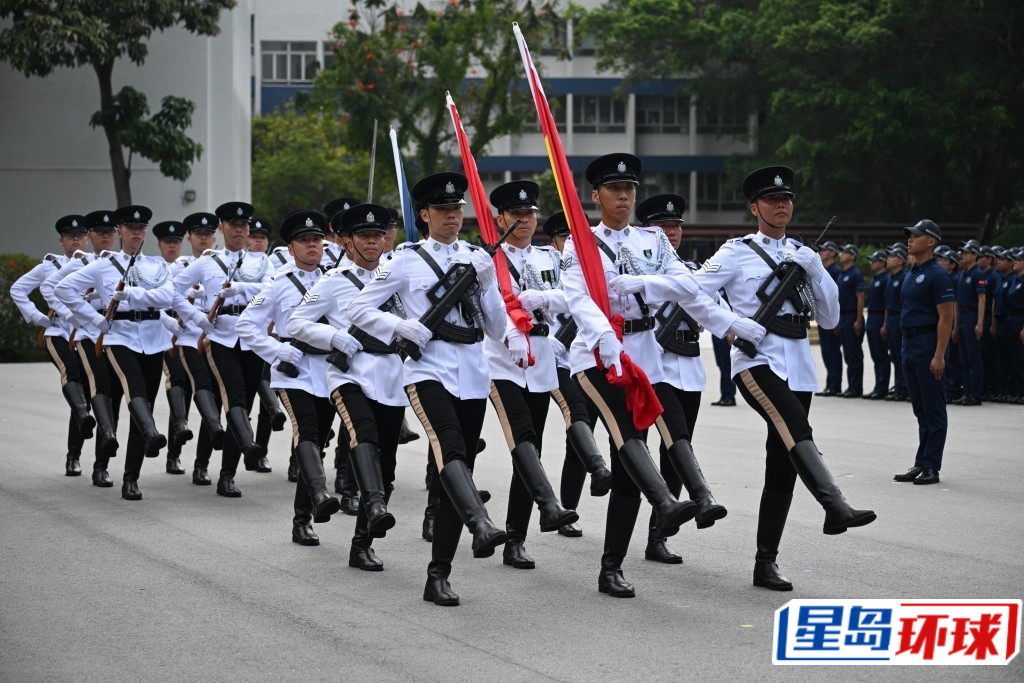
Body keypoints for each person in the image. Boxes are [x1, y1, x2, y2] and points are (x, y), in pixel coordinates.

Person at [692, 165, 876, 591]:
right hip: (757, 363)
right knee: (797, 427)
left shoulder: (802, 253)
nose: (781, 205)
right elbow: (694, 292)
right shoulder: (736, 252)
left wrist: (816, 270)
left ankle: (765, 563)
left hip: (799, 366)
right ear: (754, 207)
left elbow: (830, 319)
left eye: (787, 199)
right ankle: (835, 504)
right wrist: (732, 325)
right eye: (772, 200)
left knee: (784, 462)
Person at [561, 153, 723, 598]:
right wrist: (605, 339)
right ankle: (657, 513)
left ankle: (700, 496)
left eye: (629, 188)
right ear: (596, 196)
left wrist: (644, 286)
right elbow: (580, 300)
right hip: (597, 355)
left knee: (674, 424)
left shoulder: (654, 240)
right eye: (614, 189)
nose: (624, 196)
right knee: (628, 439)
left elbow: (687, 286)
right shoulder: (580, 243)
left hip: (647, 351)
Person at [348, 172, 509, 606]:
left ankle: (438, 575)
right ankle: (482, 523)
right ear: (424, 214)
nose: (453, 216)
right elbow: (358, 308)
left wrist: (489, 281)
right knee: (451, 450)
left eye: (457, 209)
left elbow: (496, 327)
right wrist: (403, 325)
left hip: (473, 374)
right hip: (427, 372)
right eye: (443, 210)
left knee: (455, 475)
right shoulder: (404, 260)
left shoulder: (478, 258)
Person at [288, 205, 408, 564]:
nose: (373, 242)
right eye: (364, 236)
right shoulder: (333, 281)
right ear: (344, 240)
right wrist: (334, 336)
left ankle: (362, 543)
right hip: (349, 374)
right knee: (364, 435)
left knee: (387, 465)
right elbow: (297, 323)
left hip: (391, 376)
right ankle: (370, 503)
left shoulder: (397, 276)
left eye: (378, 235)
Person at [482, 180, 579, 570]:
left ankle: (515, 540)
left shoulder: (550, 259)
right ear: (500, 218)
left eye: (530, 214)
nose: (524, 220)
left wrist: (549, 302)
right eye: (516, 215)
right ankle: (548, 504)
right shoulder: (487, 258)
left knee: (531, 449)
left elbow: (576, 296)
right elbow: (485, 307)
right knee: (520, 437)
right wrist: (509, 332)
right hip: (501, 362)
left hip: (540, 360)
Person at [54, 205, 175, 500]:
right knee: (133, 393)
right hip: (119, 338)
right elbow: (64, 290)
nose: (136, 233)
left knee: (141, 402)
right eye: (131, 229)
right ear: (120, 232)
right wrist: (95, 320)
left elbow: (167, 296)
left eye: (141, 229)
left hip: (154, 339)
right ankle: (145, 437)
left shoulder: (158, 266)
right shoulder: (103, 266)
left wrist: (133, 295)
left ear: (146, 232)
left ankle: (131, 478)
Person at [238, 209, 342, 546]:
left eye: (317, 240)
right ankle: (315, 503)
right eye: (304, 241)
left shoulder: (336, 278)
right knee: (307, 432)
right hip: (294, 373)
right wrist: (275, 351)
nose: (312, 246)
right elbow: (246, 326)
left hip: (329, 370)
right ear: (291, 246)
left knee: (316, 441)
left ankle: (303, 518)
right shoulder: (278, 283)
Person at [635, 192, 726, 564]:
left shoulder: (692, 272)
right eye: (663, 226)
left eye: (675, 226)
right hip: (654, 369)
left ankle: (659, 535)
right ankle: (698, 498)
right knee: (676, 441)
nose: (671, 232)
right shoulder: (639, 274)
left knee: (673, 452)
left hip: (689, 368)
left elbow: (715, 315)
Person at [173, 201, 275, 496]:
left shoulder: (262, 262)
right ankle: (246, 447)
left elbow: (272, 289)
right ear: (222, 228)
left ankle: (226, 473)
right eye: (234, 225)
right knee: (235, 397)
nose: (241, 230)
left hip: (252, 338)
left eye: (245, 225)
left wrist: (241, 289)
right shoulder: (207, 261)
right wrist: (196, 318)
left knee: (239, 404)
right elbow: (173, 291)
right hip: (221, 338)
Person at [540, 211, 613, 540]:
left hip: (585, 359)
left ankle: (566, 511)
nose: (570, 243)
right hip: (550, 359)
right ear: (554, 241)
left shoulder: (591, 267)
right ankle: (593, 474)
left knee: (578, 434)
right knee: (577, 415)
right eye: (564, 238)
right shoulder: (544, 266)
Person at [10, 214, 97, 476]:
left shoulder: (95, 263)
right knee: (70, 370)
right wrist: (38, 317)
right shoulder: (50, 266)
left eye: (81, 235)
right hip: (58, 331)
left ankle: (74, 454)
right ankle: (81, 412)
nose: (77, 240)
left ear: (88, 238)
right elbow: (18, 289)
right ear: (61, 241)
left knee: (85, 387)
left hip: (85, 332)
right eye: (71, 236)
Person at [40, 210, 122, 484]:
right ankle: (74, 454)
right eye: (100, 232)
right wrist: (75, 315)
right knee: (91, 395)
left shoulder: (122, 264)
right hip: (88, 336)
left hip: (116, 337)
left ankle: (101, 464)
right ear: (91, 237)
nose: (106, 237)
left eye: (110, 232)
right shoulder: (80, 262)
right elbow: (53, 288)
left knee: (114, 399)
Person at [892, 220, 955, 485]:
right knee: (920, 408)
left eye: (915, 236)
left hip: (928, 344)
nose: (910, 239)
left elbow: (946, 318)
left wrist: (939, 354)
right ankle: (921, 461)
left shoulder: (938, 275)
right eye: (909, 236)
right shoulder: (913, 271)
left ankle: (932, 466)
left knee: (933, 408)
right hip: (910, 345)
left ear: (931, 241)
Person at [173, 212, 228, 485]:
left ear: (214, 237)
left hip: (213, 337)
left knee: (216, 399)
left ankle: (201, 464)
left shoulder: (220, 264)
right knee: (197, 387)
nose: (203, 237)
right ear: (189, 238)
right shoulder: (179, 265)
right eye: (198, 234)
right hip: (187, 337)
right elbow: (166, 295)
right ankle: (176, 450)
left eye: (208, 234)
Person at [152, 220, 194, 475]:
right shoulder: (151, 269)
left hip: (186, 334)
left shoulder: (188, 267)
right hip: (161, 333)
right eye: (168, 242)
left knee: (186, 388)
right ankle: (176, 436)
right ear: (159, 244)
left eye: (177, 241)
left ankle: (174, 453)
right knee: (176, 379)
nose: (172, 246)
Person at [246, 217, 288, 463]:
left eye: (262, 238)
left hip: (269, 333)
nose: (258, 242)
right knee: (250, 394)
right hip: (247, 334)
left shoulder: (272, 265)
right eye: (255, 237)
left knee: (266, 391)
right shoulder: (252, 264)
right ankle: (248, 444)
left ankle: (261, 451)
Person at [953, 240, 986, 405]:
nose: (963, 255)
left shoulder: (978, 274)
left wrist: (979, 323)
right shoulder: (962, 274)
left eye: (966, 253)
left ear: (974, 255)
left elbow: (982, 299)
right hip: (962, 317)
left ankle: (975, 393)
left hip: (972, 315)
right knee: (963, 357)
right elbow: (957, 303)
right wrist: (955, 326)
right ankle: (966, 392)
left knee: (973, 357)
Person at [814, 241, 843, 396]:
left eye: (825, 250)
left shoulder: (836, 271)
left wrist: (835, 320)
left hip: (832, 318)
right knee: (825, 351)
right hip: (822, 316)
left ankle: (835, 385)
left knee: (833, 351)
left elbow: (834, 297)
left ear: (832, 253)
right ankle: (829, 383)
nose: (822, 252)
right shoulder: (822, 270)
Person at [836, 244, 865, 397]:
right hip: (843, 316)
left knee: (854, 353)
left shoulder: (855, 274)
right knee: (847, 352)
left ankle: (856, 387)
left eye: (846, 252)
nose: (842, 254)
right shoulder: (842, 274)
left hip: (852, 315)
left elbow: (860, 297)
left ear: (852, 256)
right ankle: (851, 385)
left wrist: (859, 320)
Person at [881, 245, 908, 401]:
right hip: (890, 318)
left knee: (900, 355)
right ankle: (898, 387)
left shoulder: (904, 277)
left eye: (892, 257)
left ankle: (904, 388)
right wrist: (885, 324)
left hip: (899, 318)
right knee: (895, 357)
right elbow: (887, 304)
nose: (888, 260)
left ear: (900, 260)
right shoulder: (890, 277)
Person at [862, 250, 891, 399]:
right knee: (875, 356)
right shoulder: (874, 279)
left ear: (882, 262)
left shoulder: (886, 279)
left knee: (881, 355)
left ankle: (883, 387)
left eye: (874, 260)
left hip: (880, 317)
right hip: (871, 317)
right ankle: (878, 386)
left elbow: (887, 304)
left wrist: (885, 323)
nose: (871, 263)